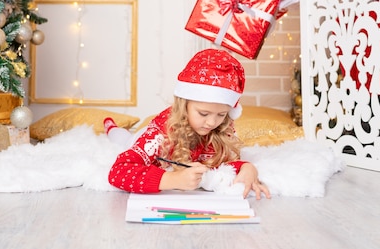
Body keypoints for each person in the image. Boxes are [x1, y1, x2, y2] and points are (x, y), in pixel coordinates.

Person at [106, 48, 271, 199]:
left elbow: (224, 164)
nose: (212, 122)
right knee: (122, 139)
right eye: (203, 113)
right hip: (141, 137)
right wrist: (172, 179)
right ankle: (111, 126)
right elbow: (118, 172)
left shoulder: (221, 126)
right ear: (184, 105)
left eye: (221, 114)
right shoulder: (161, 132)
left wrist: (248, 168)